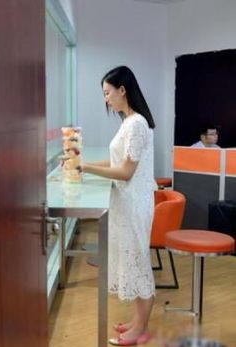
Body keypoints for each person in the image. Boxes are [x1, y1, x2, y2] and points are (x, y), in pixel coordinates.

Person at [79, 66, 156, 346]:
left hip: (135, 204)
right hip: (127, 202)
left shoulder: (136, 124)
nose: (106, 99)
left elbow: (125, 172)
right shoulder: (129, 122)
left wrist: (86, 166)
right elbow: (116, 164)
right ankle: (137, 322)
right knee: (133, 262)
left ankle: (141, 329)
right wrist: (83, 165)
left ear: (122, 90)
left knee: (138, 263)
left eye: (107, 92)